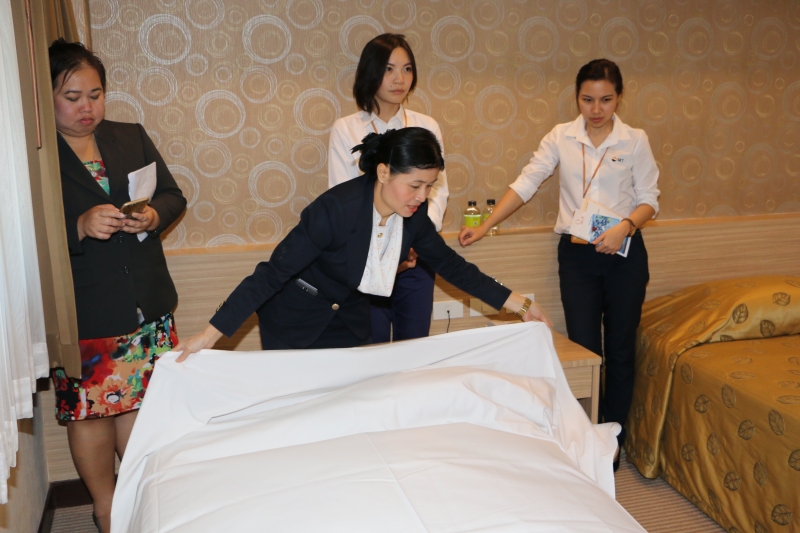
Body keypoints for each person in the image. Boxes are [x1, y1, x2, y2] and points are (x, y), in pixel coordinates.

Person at [176, 128, 549, 359]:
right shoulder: (335, 209)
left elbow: (452, 267)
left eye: (429, 186)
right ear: (384, 172)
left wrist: (520, 303)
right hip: (296, 320)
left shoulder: (413, 216)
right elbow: (272, 273)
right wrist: (208, 336)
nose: (422, 196)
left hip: (349, 322)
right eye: (415, 185)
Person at [459, 59, 659, 468]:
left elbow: (649, 199)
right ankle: (584, 434)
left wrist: (624, 227)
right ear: (577, 97)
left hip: (623, 253)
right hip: (577, 256)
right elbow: (527, 182)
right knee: (584, 348)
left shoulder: (634, 140)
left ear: (619, 97)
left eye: (606, 100)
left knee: (620, 349)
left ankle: (613, 437)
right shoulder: (561, 136)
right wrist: (485, 227)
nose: (596, 109)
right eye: (587, 99)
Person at [48, 39, 186, 532]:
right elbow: (20, 235)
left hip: (146, 302)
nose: (87, 107)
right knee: (92, 414)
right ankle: (106, 509)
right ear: (47, 97)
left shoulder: (130, 136)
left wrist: (152, 215)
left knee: (142, 408)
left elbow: (172, 195)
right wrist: (78, 227)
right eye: (72, 97)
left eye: (96, 94)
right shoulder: (35, 158)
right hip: (85, 310)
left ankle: (142, 499)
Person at [328, 33, 448, 343]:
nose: (400, 79)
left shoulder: (426, 126)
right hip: (369, 258)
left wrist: (413, 241)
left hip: (416, 259)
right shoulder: (346, 128)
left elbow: (437, 191)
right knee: (372, 347)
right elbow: (342, 195)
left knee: (415, 347)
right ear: (371, 72)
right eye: (389, 69)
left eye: (407, 69)